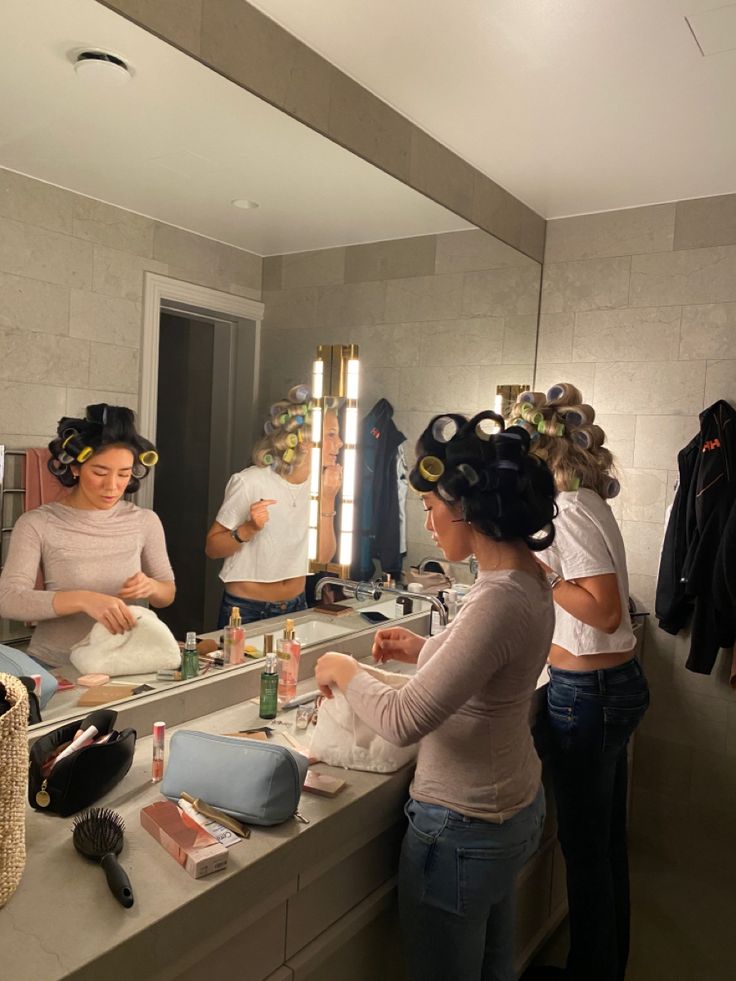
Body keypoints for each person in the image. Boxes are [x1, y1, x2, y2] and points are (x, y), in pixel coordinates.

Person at [314, 410, 558, 981]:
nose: (427, 521)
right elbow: (482, 687)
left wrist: (342, 667)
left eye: (430, 507)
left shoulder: (497, 598)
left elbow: (404, 720)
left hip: (463, 828)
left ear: (464, 507)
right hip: (510, 809)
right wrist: (420, 653)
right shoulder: (526, 576)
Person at [509, 385, 650, 981]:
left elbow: (605, 610)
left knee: (587, 852)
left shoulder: (568, 509)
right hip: (603, 688)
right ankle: (606, 965)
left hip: (586, 698)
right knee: (606, 844)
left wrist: (539, 574)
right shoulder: (587, 501)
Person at [0, 404, 175, 669]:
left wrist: (151, 587)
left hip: (122, 663)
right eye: (100, 472)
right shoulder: (37, 523)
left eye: (124, 474)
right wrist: (83, 599)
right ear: (75, 468)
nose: (113, 486)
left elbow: (167, 593)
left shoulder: (144, 521)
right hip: (55, 665)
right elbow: (8, 600)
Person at [205, 386, 341, 627]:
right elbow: (212, 548)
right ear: (303, 441)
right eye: (331, 434)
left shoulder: (321, 486)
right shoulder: (251, 482)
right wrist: (248, 529)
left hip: (296, 606)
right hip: (246, 610)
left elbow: (324, 557)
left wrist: (328, 498)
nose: (339, 443)